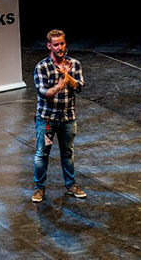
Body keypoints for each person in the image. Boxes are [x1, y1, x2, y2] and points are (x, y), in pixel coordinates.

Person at [31, 29, 86, 203]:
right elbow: (44, 94)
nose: (60, 47)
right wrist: (62, 83)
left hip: (68, 117)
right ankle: (39, 188)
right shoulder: (42, 67)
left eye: (62, 43)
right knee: (42, 154)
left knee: (68, 153)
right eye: (56, 44)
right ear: (49, 46)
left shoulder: (74, 64)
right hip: (47, 118)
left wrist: (66, 75)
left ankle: (71, 185)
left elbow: (79, 87)